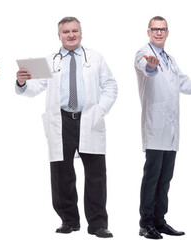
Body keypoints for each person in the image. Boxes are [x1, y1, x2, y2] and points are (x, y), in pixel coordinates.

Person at [15, 16, 117, 239]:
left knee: (96, 174)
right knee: (62, 173)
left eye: (74, 31)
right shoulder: (50, 60)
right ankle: (69, 220)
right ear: (59, 35)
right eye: (66, 32)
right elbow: (36, 86)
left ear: (81, 33)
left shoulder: (96, 57)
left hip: (89, 118)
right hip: (61, 120)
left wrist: (100, 110)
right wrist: (22, 82)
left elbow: (110, 85)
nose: (71, 35)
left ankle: (98, 223)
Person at [133, 16, 191, 239]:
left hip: (171, 130)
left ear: (167, 32)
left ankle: (159, 221)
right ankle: (145, 224)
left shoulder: (170, 59)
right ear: (148, 32)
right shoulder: (143, 53)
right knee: (152, 177)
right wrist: (151, 66)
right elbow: (146, 68)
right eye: (155, 29)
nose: (158, 32)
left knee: (165, 179)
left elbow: (184, 83)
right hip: (155, 127)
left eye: (162, 29)